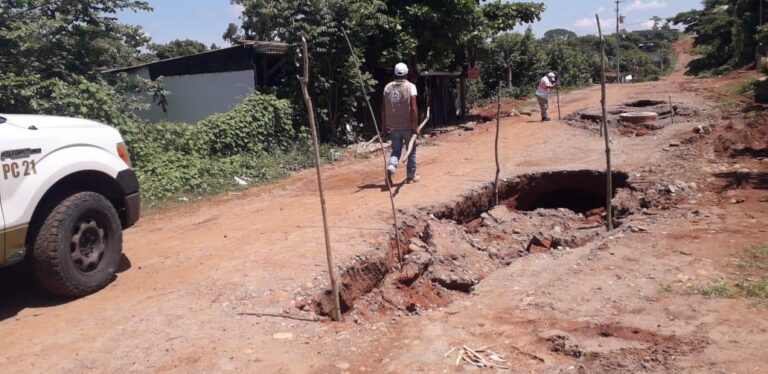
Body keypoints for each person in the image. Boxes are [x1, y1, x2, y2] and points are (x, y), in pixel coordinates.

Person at [382, 62, 420, 183]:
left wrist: (383, 127)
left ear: (395, 73)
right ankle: (411, 176)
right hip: (407, 125)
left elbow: (383, 108)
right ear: (406, 73)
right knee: (411, 150)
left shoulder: (387, 87)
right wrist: (415, 127)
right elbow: (413, 108)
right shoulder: (410, 87)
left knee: (396, 150)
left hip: (393, 126)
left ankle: (392, 166)